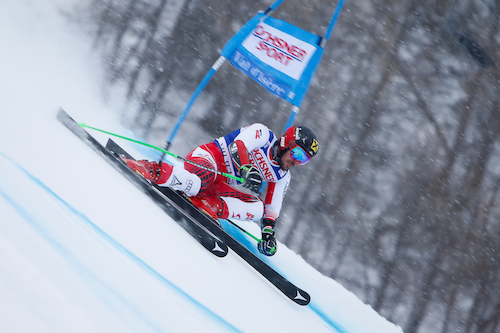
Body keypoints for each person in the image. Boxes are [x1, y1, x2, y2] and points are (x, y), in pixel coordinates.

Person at [123, 123, 319, 256]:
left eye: (305, 160)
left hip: (219, 186)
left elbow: (271, 210)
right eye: (298, 153)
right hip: (207, 160)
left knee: (258, 208)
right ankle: (152, 170)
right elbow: (238, 146)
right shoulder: (263, 135)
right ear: (287, 143)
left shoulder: (283, 175)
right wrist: (245, 167)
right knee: (200, 181)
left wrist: (268, 235)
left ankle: (208, 205)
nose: (297, 161)